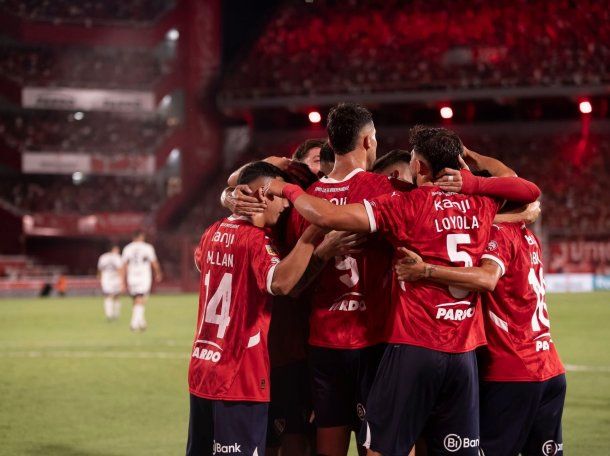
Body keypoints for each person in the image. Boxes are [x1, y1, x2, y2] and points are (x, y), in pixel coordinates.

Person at [263, 125, 541, 455]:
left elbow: (326, 214)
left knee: (384, 447)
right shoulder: (481, 202)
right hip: (465, 352)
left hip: (415, 345)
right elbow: (528, 190)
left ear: (419, 167)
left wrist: (287, 190)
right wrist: (473, 177)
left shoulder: (407, 205)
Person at [187, 161, 353, 456]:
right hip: (239, 376)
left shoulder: (212, 231)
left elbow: (201, 262)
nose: (286, 207)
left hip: (202, 369)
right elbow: (283, 283)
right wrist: (312, 235)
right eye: (281, 197)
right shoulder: (254, 240)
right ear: (262, 196)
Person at [394, 203, 565, 456]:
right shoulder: (530, 237)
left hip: (512, 371)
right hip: (549, 367)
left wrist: (426, 271)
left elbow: (486, 278)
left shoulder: (498, 233)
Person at [287, 103, 402, 456]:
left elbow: (294, 284)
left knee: (329, 446)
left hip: (323, 343)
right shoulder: (385, 189)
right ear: (367, 141)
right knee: (383, 445)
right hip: (376, 340)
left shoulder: (306, 202)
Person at [121, 231, 162, 331]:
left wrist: (123, 279)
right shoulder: (147, 247)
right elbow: (154, 262)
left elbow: (124, 265)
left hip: (132, 276)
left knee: (137, 299)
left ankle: (141, 321)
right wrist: (158, 273)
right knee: (141, 298)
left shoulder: (127, 248)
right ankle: (134, 323)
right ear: (141, 237)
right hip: (143, 276)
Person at [97, 245, 123, 321]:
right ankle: (115, 314)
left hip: (106, 278)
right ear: (113, 249)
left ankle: (109, 314)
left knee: (108, 295)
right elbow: (120, 268)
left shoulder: (103, 257)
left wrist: (99, 276)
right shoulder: (117, 257)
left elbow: (99, 268)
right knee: (116, 296)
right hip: (115, 278)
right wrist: (122, 280)